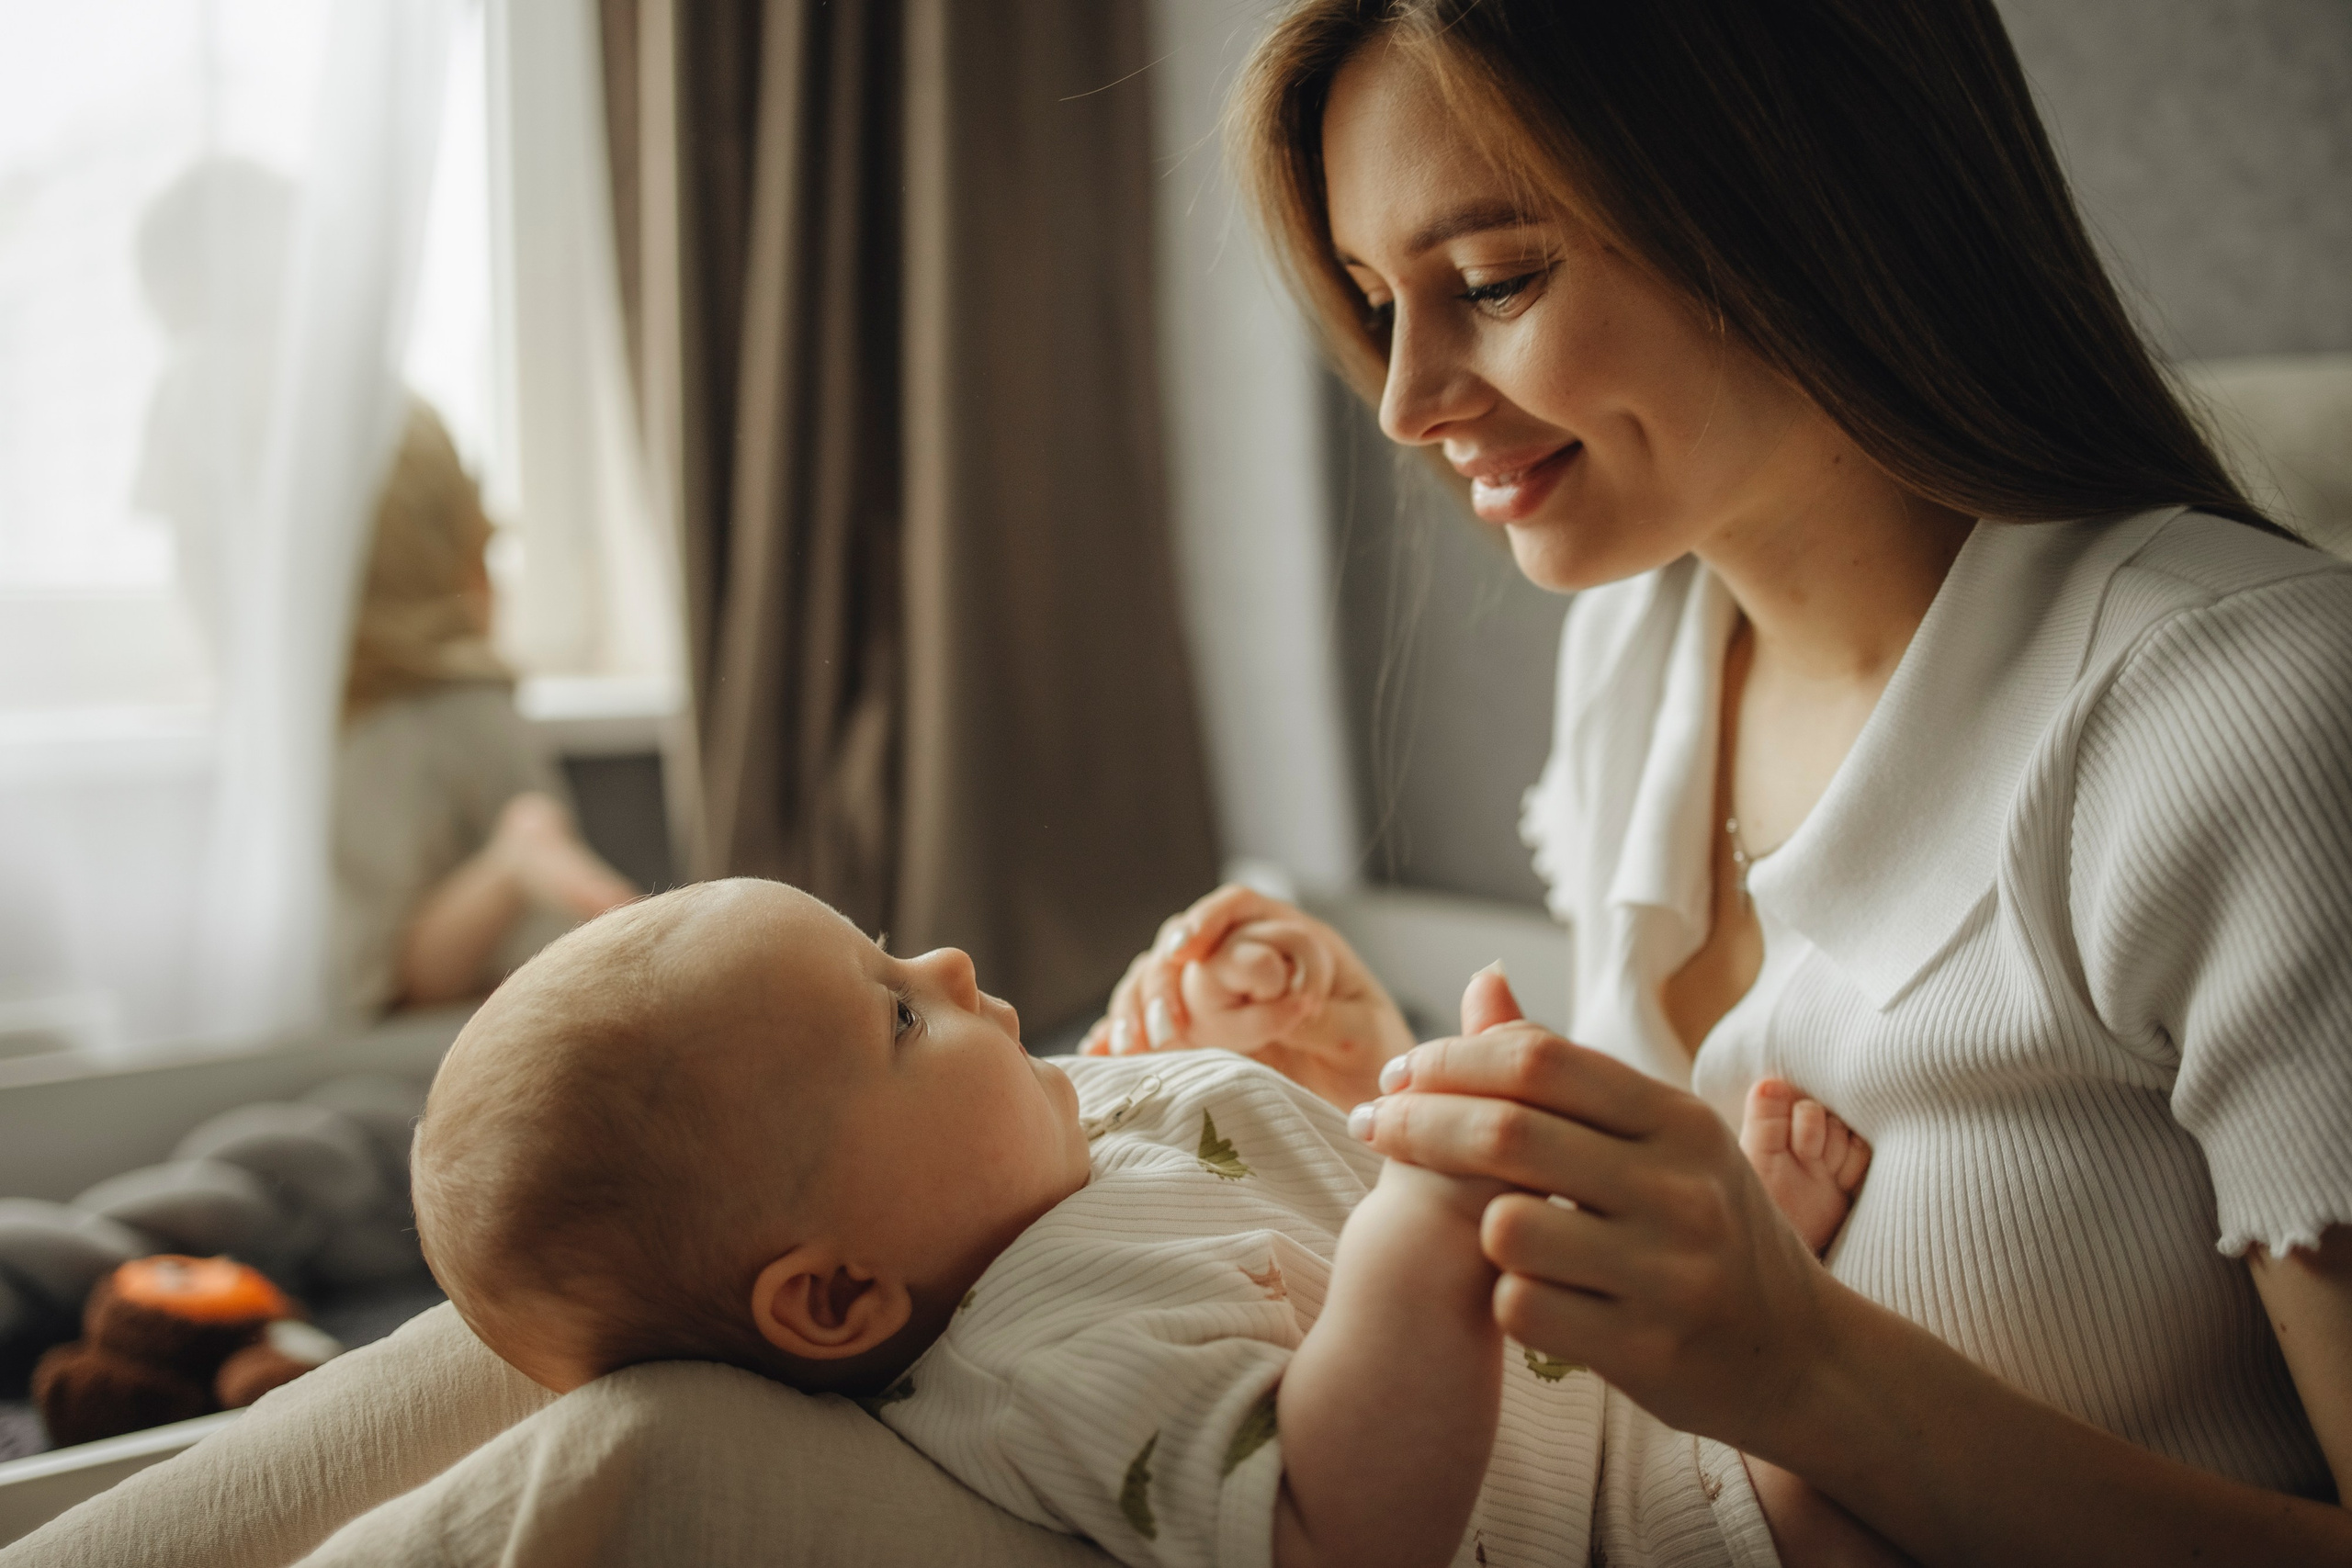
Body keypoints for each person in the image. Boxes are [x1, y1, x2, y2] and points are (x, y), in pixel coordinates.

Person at [1083, 2, 2352, 1563]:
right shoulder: (1644, 637)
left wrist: (1813, 1372)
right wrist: (1399, 1091)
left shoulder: (2255, 717)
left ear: (1801, 197)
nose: (1407, 399)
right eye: (1374, 300)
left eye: (1494, 279)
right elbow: (1662, 1307)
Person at [409, 876, 1883, 1568]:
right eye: (900, 1013)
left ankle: (1749, 1267)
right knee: (1874, 1497)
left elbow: (1291, 1155)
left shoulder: (1040, 1149)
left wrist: (1276, 1036)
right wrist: (1424, 1218)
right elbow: (1332, 1520)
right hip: (1670, 1523)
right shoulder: (1050, 1352)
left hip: (1630, 1393)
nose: (951, 950)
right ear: (844, 1294)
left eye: (887, 944)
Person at [331, 400, 640, 1015]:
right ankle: (519, 860)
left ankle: (515, 861)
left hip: (468, 1013)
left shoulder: (395, 727)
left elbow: (397, 976)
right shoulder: (471, 706)